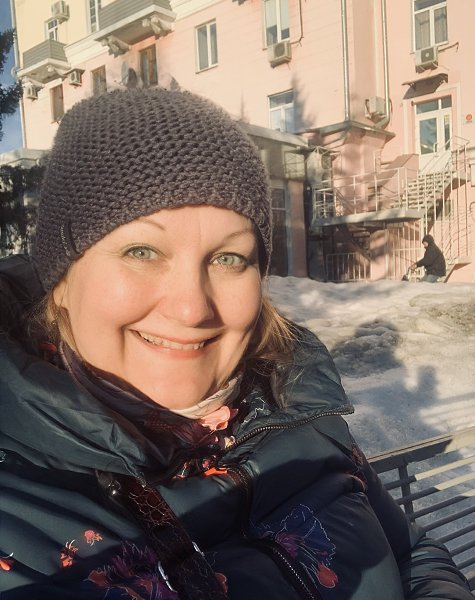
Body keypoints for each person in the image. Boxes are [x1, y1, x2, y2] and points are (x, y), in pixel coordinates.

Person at [0, 88, 472, 600]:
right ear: (61, 281)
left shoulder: (295, 413)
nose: (192, 308)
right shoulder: (17, 511)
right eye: (141, 251)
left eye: (228, 258)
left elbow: (410, 552)